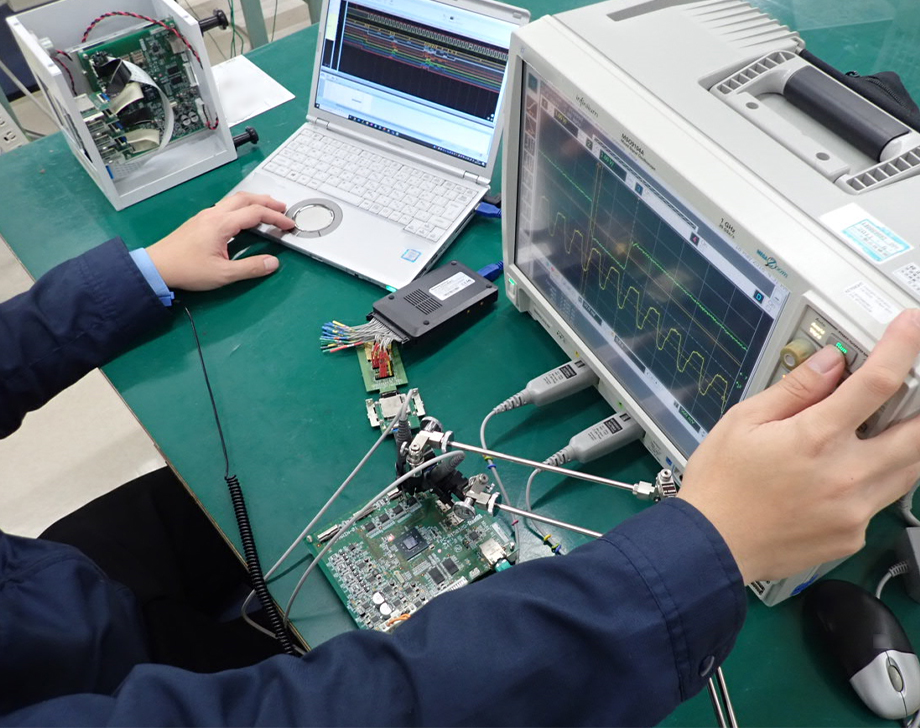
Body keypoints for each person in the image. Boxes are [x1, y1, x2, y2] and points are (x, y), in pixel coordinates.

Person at [2, 191, 920, 726]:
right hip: (82, 677)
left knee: (186, 501)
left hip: (39, 594)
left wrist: (140, 274)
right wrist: (702, 551)